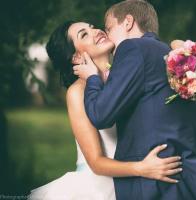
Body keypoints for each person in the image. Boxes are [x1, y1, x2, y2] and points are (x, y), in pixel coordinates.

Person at [75, 0, 196, 199]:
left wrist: (92, 77)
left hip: (157, 185)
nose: (106, 34)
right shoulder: (185, 62)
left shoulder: (132, 49)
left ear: (127, 22)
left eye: (109, 28)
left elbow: (100, 115)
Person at [28, 21, 182, 200]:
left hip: (138, 185)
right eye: (84, 34)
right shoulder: (78, 92)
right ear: (77, 57)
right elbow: (96, 162)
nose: (96, 31)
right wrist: (143, 168)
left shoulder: (126, 78)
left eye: (92, 26)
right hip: (98, 189)